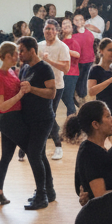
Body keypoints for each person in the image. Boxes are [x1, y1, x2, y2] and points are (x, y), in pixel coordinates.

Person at [17, 35, 57, 210]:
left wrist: (31, 89)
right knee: (39, 154)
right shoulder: (24, 68)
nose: (20, 54)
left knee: (34, 154)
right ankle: (49, 191)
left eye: (22, 51)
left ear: (32, 51)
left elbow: (52, 93)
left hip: (43, 118)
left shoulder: (44, 69)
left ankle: (41, 195)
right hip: (30, 119)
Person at [0, 41, 30, 208]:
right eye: (15, 54)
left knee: (6, 157)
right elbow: (2, 105)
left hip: (14, 119)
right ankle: (43, 191)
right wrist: (21, 94)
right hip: (8, 120)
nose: (18, 56)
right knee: (33, 151)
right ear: (7, 56)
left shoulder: (13, 72)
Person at [39, 18, 75, 160]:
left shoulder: (62, 47)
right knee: (40, 116)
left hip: (56, 86)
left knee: (49, 116)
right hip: (39, 86)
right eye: (47, 28)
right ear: (43, 30)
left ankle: (58, 146)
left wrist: (49, 61)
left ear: (57, 31)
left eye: (52, 29)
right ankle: (32, 147)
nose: (49, 31)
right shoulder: (39, 45)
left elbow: (66, 68)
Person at [87, 37, 112, 124]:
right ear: (101, 51)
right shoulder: (95, 69)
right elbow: (91, 91)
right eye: (110, 50)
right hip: (102, 109)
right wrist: (111, 79)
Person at [71, 11, 97, 100]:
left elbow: (91, 47)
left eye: (81, 19)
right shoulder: (73, 36)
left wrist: (93, 58)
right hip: (79, 61)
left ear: (84, 21)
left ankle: (83, 96)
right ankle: (79, 95)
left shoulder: (89, 33)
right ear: (73, 21)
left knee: (86, 79)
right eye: (76, 20)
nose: (79, 21)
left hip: (89, 60)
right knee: (80, 79)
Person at [58, 17, 82, 111]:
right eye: (64, 23)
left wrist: (65, 50)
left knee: (68, 98)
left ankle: (72, 121)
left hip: (71, 73)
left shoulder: (74, 41)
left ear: (72, 28)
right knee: (66, 98)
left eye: (69, 23)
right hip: (61, 73)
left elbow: (77, 55)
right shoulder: (60, 41)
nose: (66, 25)